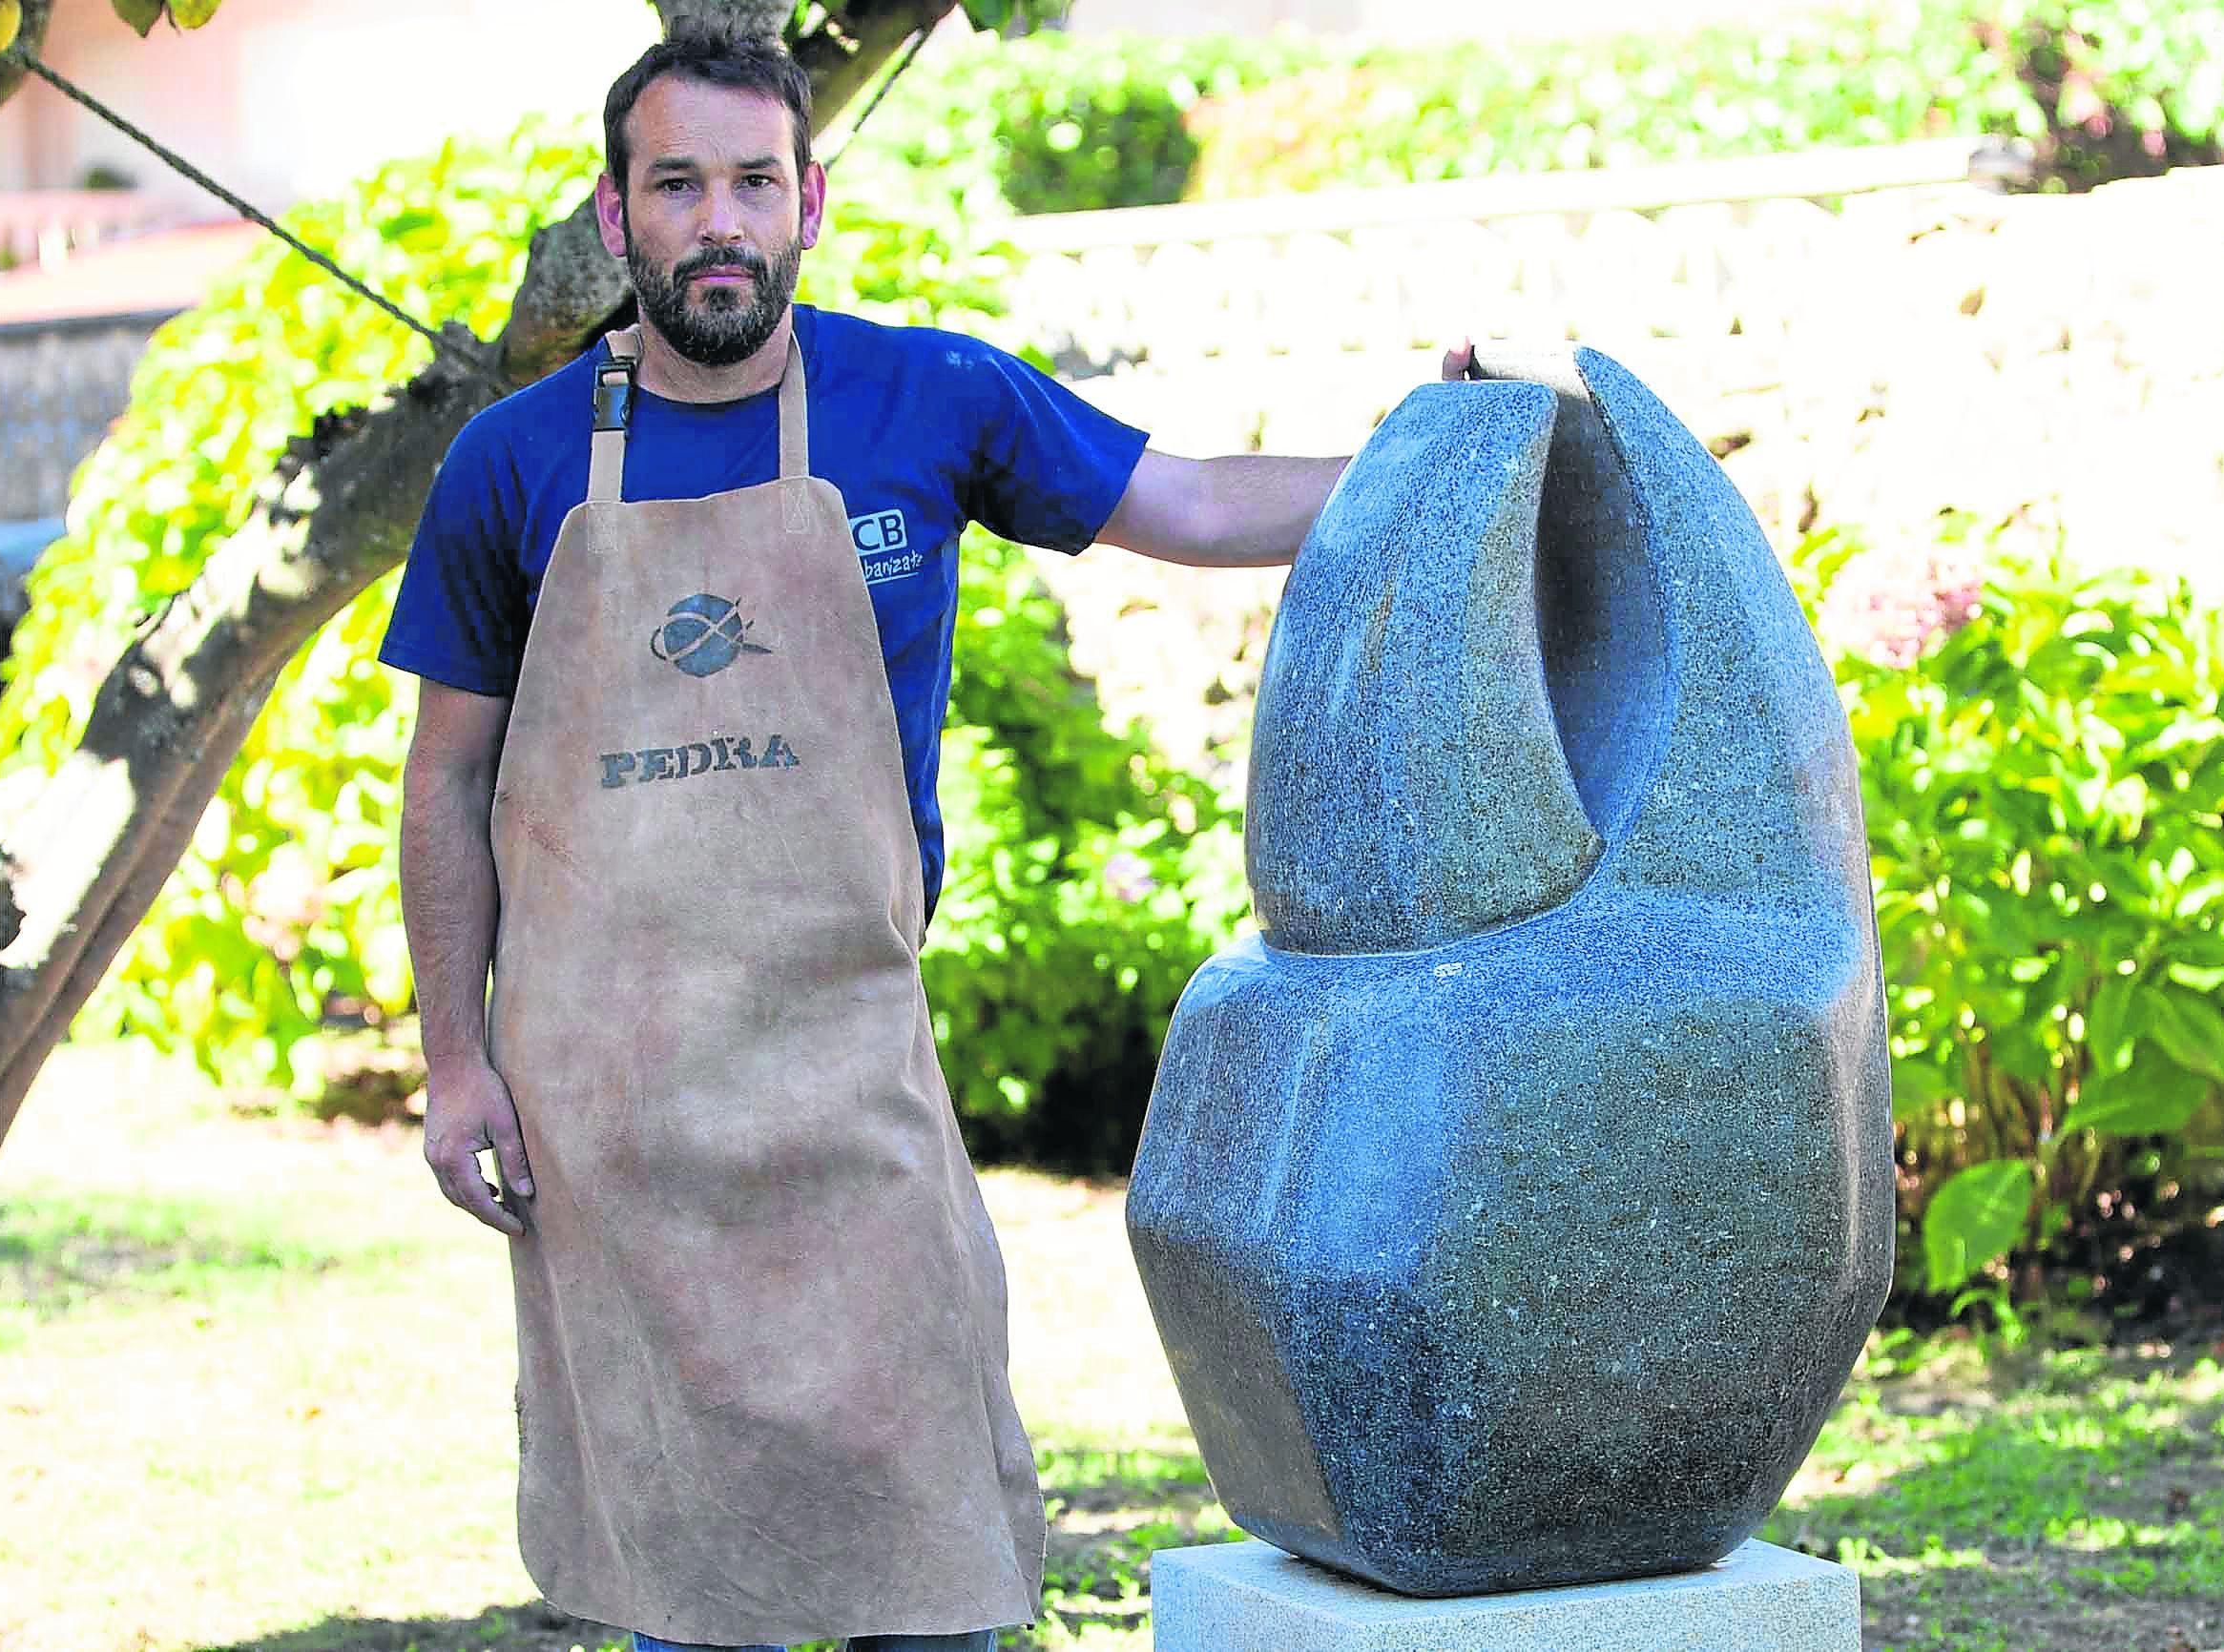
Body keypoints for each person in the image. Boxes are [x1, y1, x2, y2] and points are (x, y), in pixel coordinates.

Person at [381, 27, 1472, 1652]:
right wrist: (455, 1065)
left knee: (939, 1572)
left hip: (849, 1073)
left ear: (809, 199)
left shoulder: (928, 398)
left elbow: (1187, 508)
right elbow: (445, 781)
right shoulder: (515, 460)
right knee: (688, 1591)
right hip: (610, 1118)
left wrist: (1425, 450)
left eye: (754, 180)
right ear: (616, 221)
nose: (719, 219)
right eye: (676, 185)